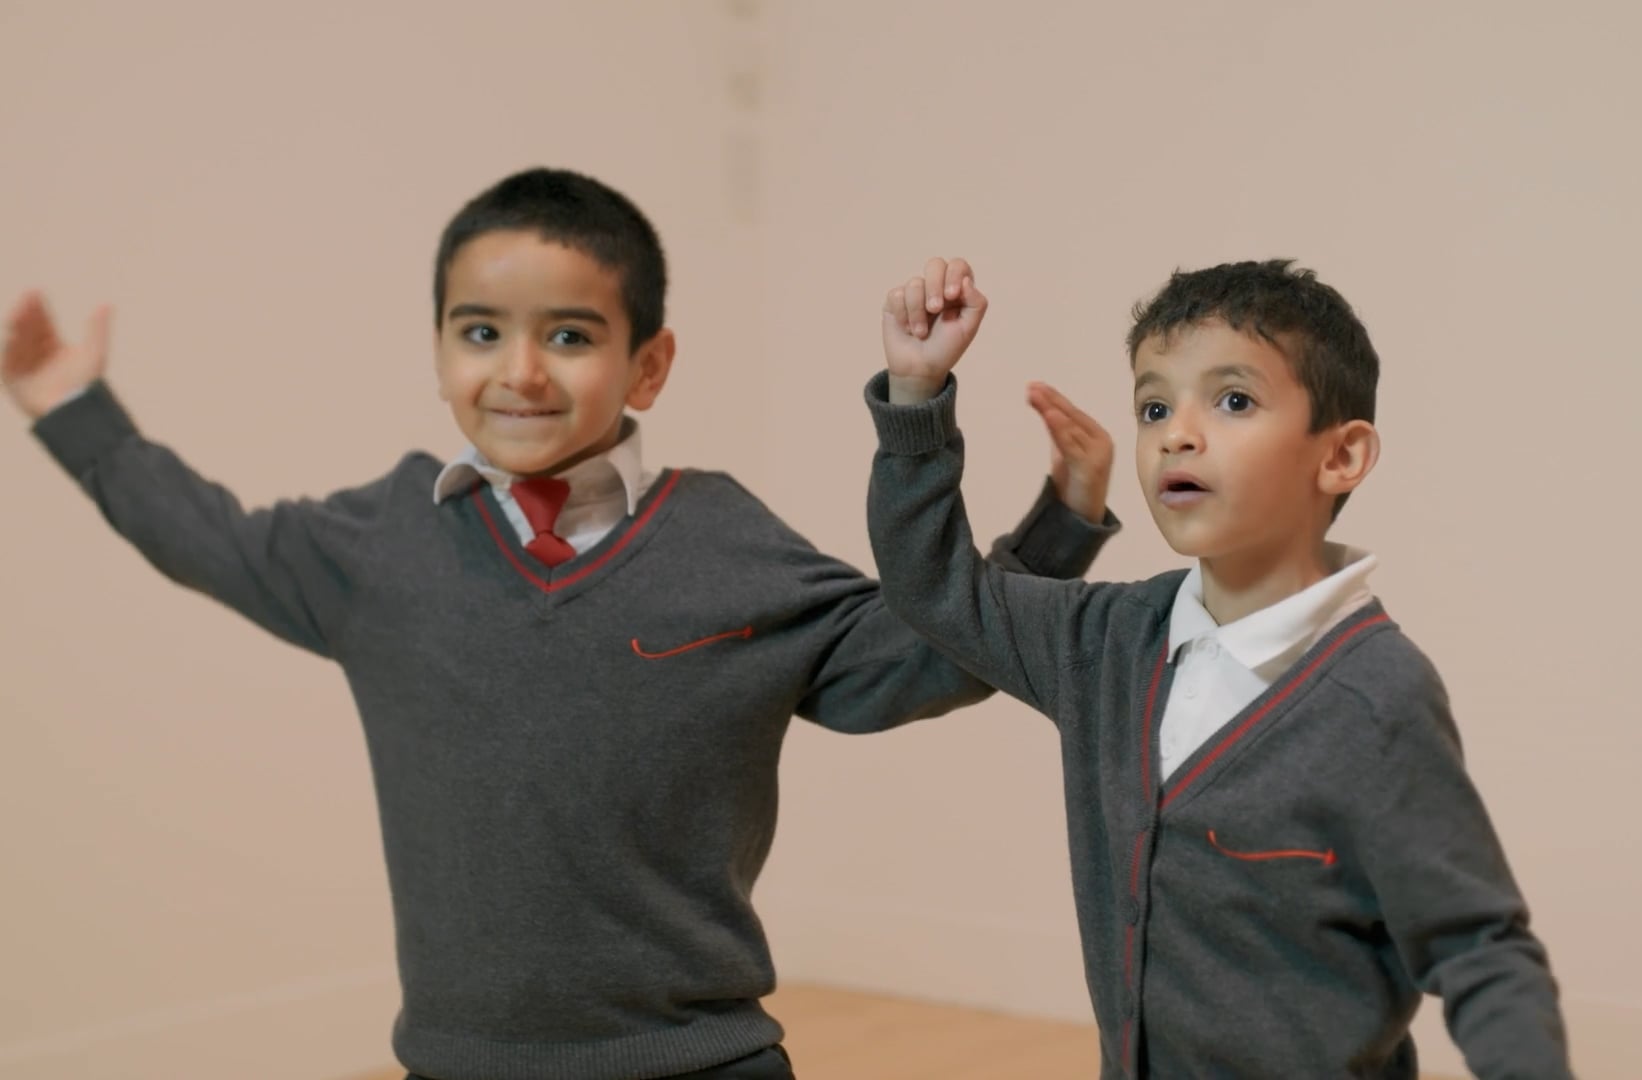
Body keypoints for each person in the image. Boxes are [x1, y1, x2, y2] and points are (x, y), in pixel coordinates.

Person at [0, 171, 1119, 1080]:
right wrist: (75, 413)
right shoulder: (376, 547)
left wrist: (1057, 526)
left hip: (700, 1061)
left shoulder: (731, 546)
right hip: (455, 1065)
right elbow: (205, 534)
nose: (521, 371)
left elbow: (920, 659)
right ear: (440, 349)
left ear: (650, 363)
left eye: (571, 336)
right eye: (480, 331)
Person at [863, 255, 1572, 1078]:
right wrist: (915, 396)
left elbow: (1479, 949)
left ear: (1340, 457)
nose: (1177, 433)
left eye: (1233, 400)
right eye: (1154, 405)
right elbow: (934, 590)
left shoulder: (1376, 698)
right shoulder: (1105, 642)